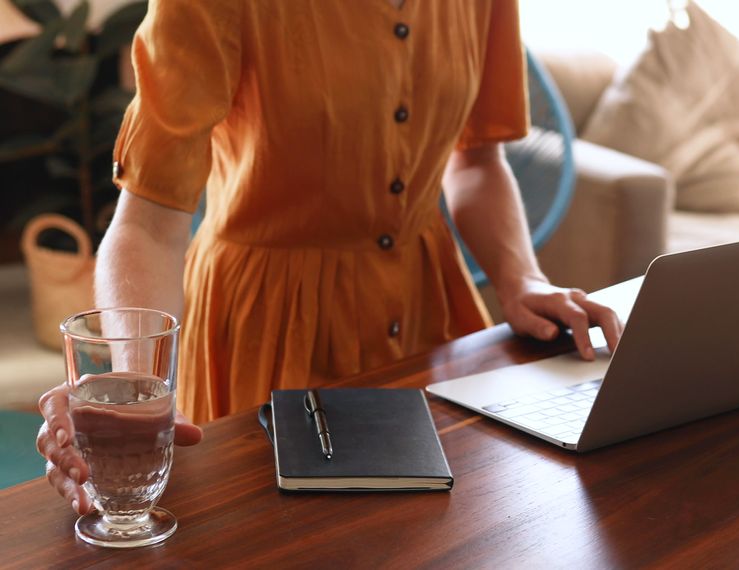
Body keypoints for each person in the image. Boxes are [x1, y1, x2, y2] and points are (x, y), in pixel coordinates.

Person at [36, 0, 623, 516]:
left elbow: (477, 161)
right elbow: (148, 224)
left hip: (428, 320)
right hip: (266, 334)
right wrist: (135, 381)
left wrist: (522, 279)